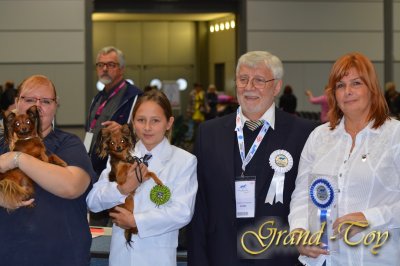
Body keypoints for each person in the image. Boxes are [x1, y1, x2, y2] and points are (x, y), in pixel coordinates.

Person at [188, 50, 316, 265]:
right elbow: (199, 207)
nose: (249, 87)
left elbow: (309, 197)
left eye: (259, 80)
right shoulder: (208, 133)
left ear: (276, 87)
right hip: (221, 256)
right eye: (243, 79)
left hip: (279, 257)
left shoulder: (304, 133)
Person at [289, 52, 400, 265]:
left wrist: (371, 218)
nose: (348, 91)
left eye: (356, 83)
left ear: (372, 89)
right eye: (340, 85)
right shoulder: (318, 137)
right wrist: (298, 231)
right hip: (322, 260)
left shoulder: (395, 135)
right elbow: (302, 193)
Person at [87, 89, 198, 266]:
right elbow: (93, 201)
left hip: (158, 258)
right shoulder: (119, 156)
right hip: (121, 257)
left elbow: (182, 212)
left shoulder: (184, 161)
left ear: (169, 123)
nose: (147, 127)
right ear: (132, 123)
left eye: (155, 121)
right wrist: (122, 189)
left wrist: (135, 221)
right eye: (140, 120)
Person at [0, 75, 95, 266]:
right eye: (29, 100)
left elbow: (72, 186)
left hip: (62, 258)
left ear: (55, 105)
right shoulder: (1, 144)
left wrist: (17, 159)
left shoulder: (69, 144)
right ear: (16, 103)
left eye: (45, 101)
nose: (38, 106)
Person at [86, 46, 142, 225]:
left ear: (122, 69)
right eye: (100, 64)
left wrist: (125, 130)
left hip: (119, 172)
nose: (104, 69)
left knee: (116, 226)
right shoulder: (98, 98)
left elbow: (147, 132)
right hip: (95, 168)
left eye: (110, 64)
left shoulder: (135, 97)